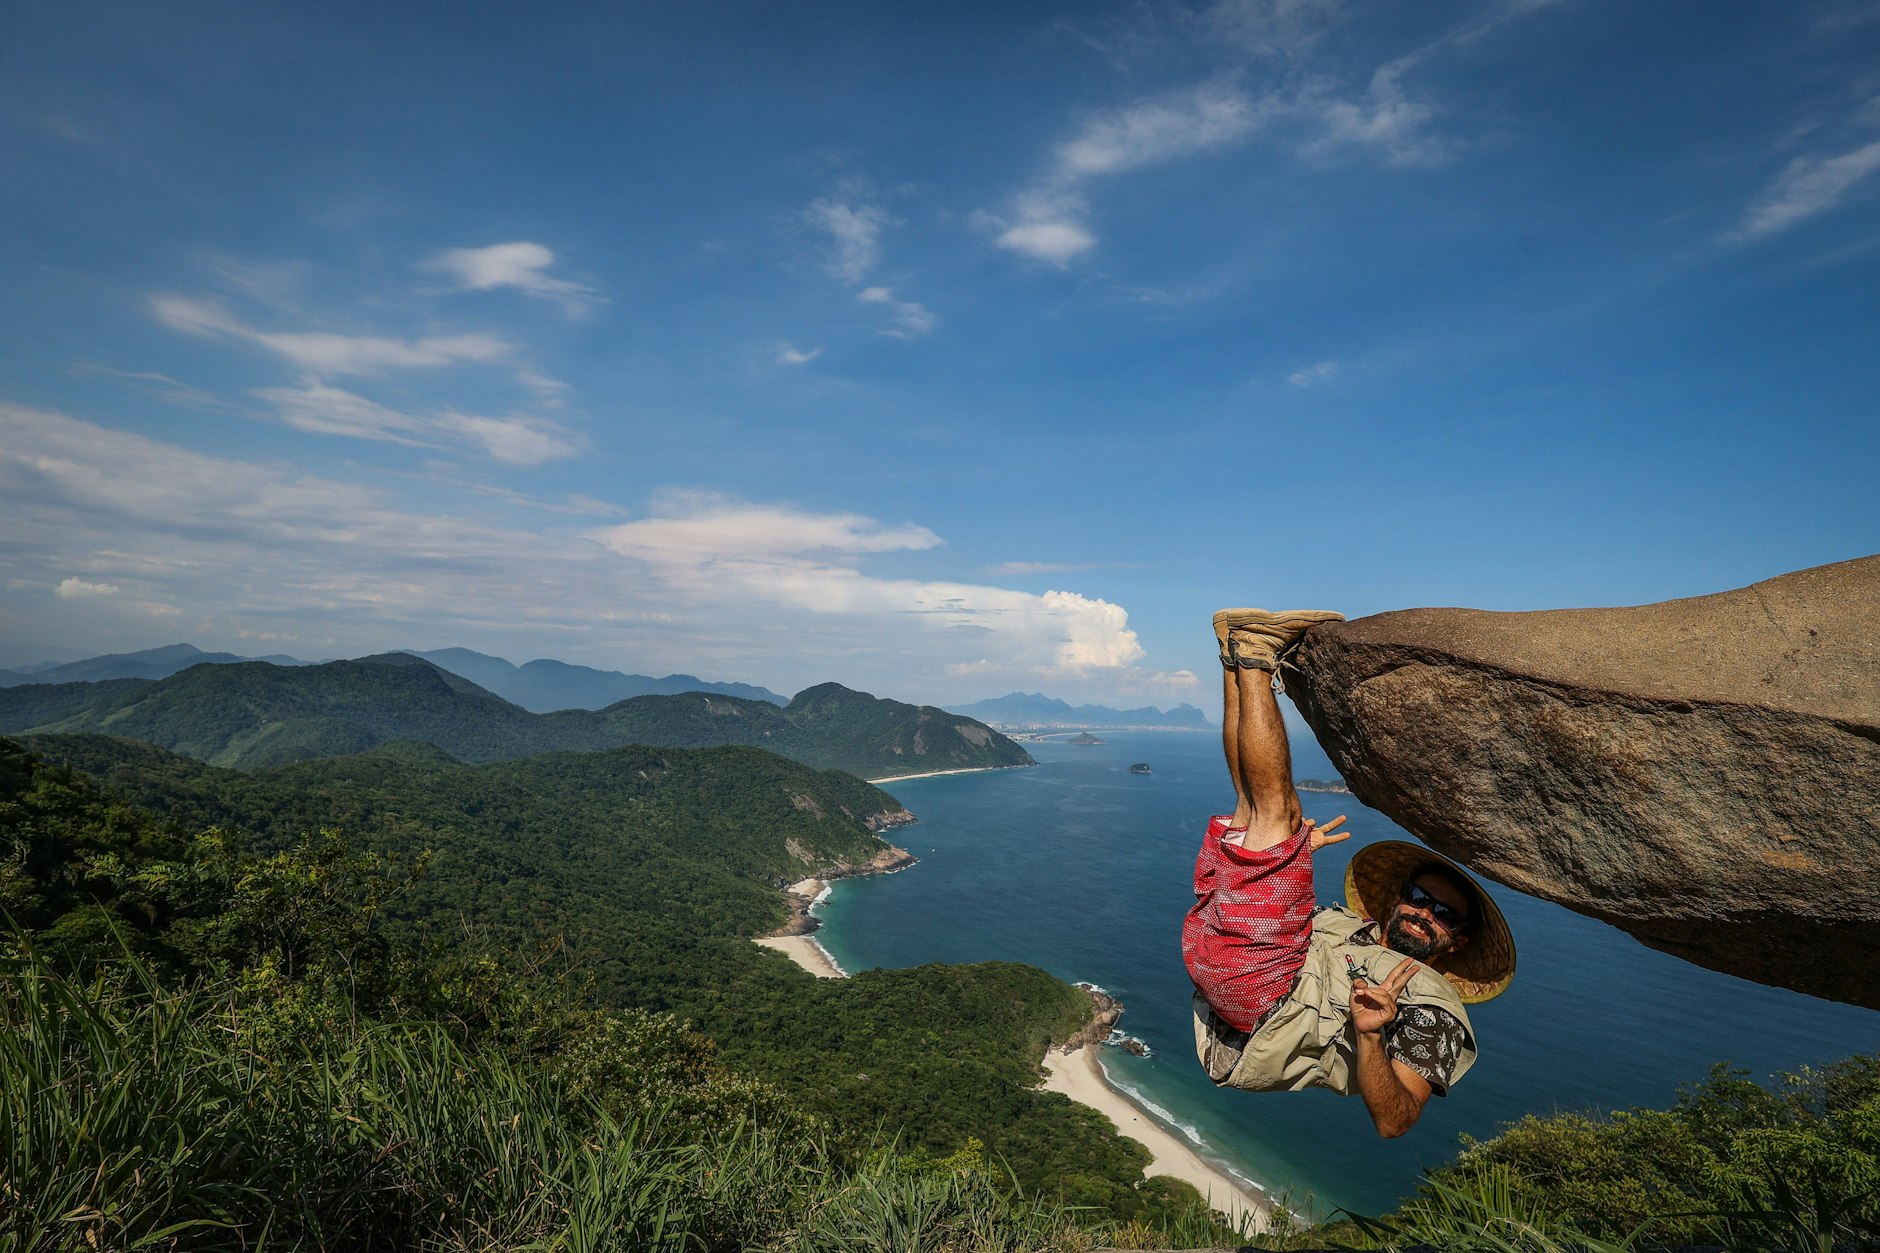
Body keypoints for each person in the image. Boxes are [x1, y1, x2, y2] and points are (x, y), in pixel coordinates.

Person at [1184, 608, 1516, 1137]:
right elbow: (1278, 924)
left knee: (1276, 815)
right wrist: (1294, 855)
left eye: (1444, 913)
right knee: (1251, 808)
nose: (1424, 912)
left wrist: (1370, 1036)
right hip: (1219, 957)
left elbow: (1395, 1120)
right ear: (1395, 899)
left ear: (1459, 940)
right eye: (1418, 896)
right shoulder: (1347, 928)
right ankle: (1234, 654)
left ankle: (1254, 653)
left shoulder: (1434, 1008)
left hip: (1258, 991)